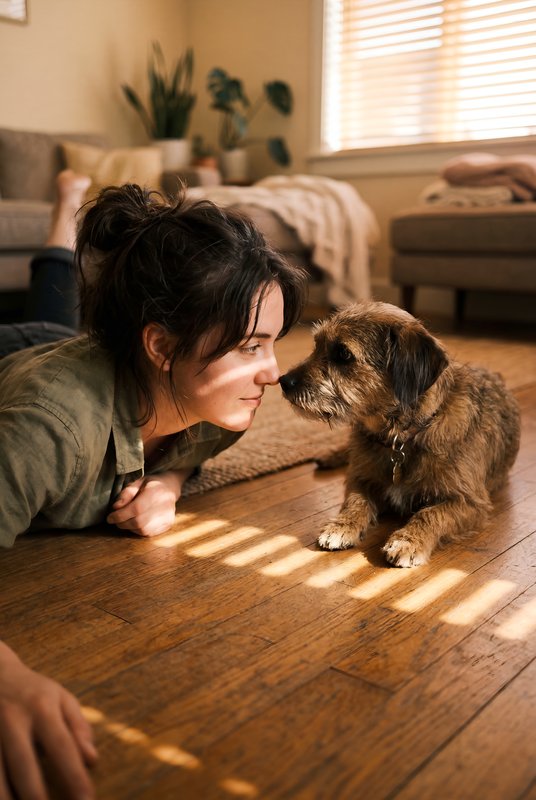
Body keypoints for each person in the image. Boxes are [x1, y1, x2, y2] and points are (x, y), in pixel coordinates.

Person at [0, 171, 307, 800]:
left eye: (273, 345)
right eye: (250, 347)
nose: (274, 374)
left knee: (56, 315)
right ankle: (67, 204)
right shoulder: (47, 428)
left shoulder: (219, 408)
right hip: (22, 363)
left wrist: (167, 480)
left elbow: (191, 451)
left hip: (87, 353)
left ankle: (66, 206)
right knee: (45, 321)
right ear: (163, 345)